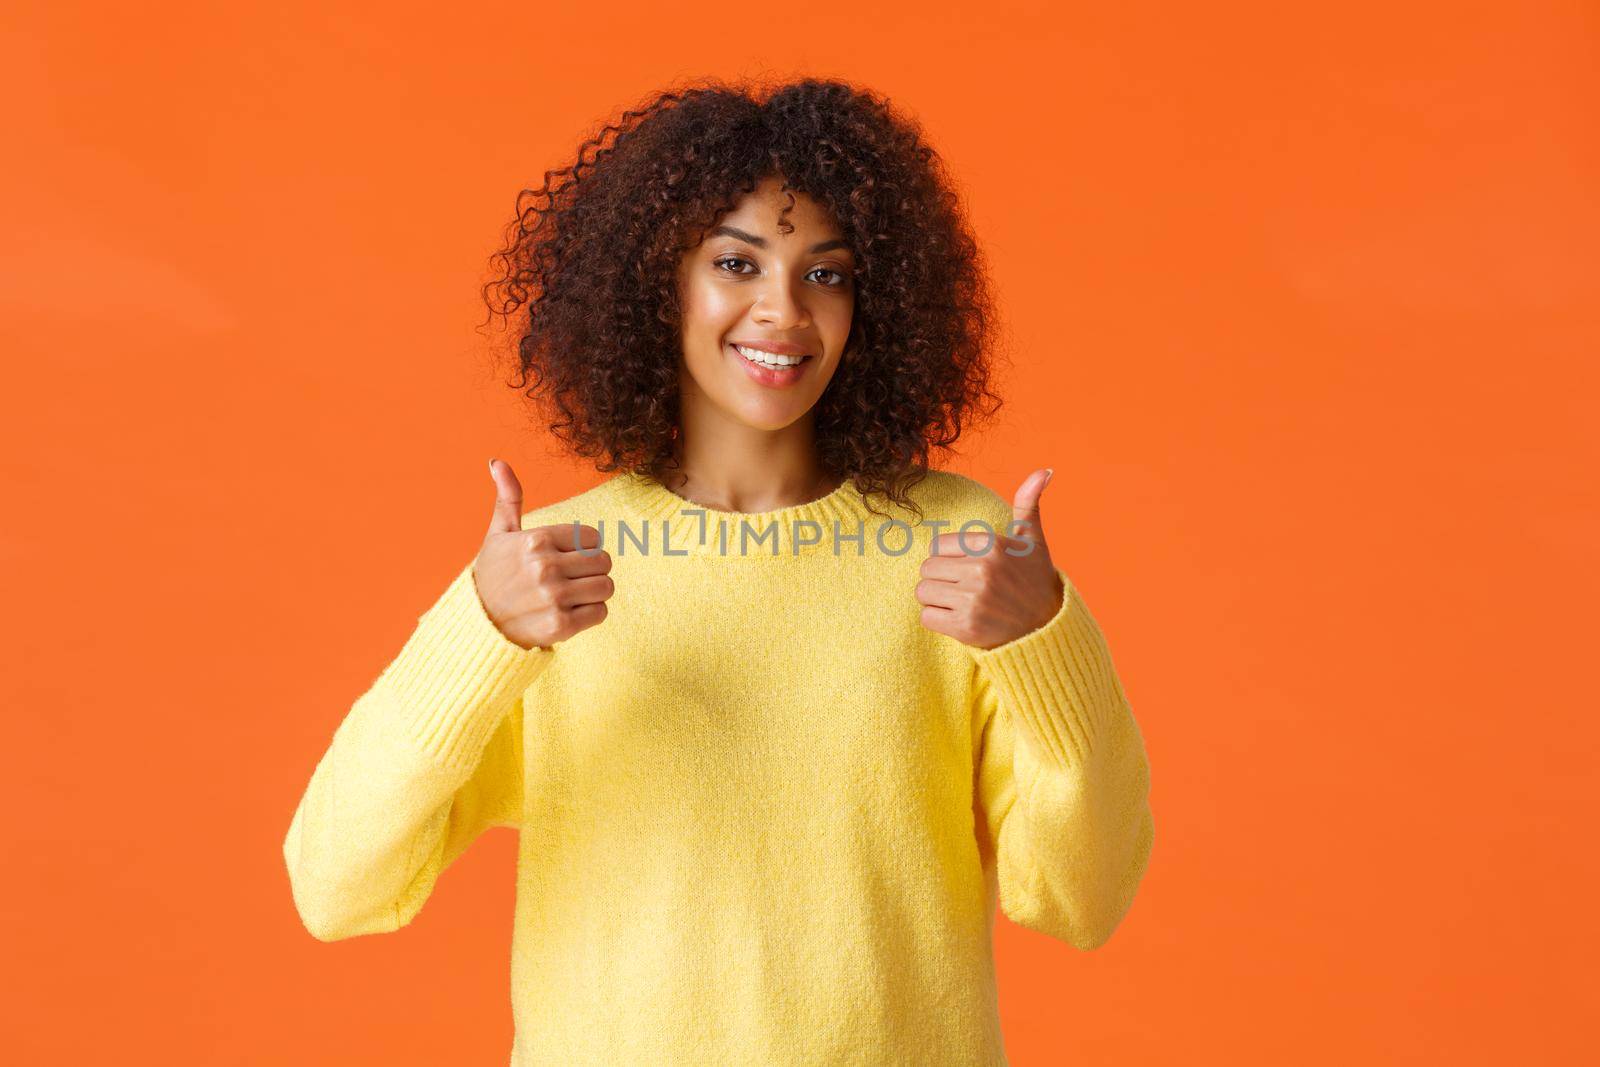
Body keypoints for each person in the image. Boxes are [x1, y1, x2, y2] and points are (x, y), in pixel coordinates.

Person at [282, 76, 1154, 1065]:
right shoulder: (551, 569)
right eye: (736, 262)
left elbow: (1082, 899)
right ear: (660, 283)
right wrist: (477, 633)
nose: (782, 311)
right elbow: (337, 885)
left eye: (826, 274)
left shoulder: (961, 549)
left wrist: (1047, 639)